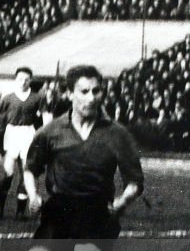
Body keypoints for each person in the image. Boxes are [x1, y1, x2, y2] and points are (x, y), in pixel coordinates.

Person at [27, 65, 144, 240]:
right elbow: (31, 168)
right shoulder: (50, 131)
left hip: (97, 212)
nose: (91, 98)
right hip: (59, 211)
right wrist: (33, 195)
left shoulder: (117, 134)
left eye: (96, 91)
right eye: (84, 91)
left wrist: (123, 201)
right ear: (70, 93)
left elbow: (135, 180)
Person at [0, 67, 42, 219]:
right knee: (9, 173)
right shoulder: (9, 97)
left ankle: (20, 211)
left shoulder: (37, 98)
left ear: (30, 80)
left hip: (28, 133)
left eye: (26, 79)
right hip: (12, 133)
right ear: (15, 80)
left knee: (26, 172)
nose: (23, 82)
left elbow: (46, 116)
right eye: (20, 79)